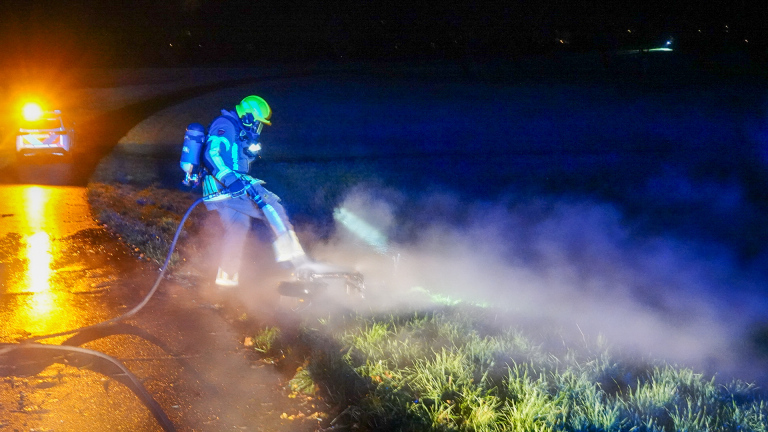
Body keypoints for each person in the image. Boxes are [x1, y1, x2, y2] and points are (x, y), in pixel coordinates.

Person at [200, 95, 308, 287]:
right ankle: (296, 259)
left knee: (238, 228)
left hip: (223, 187)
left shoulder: (237, 129)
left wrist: (249, 152)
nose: (258, 128)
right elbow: (211, 154)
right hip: (226, 185)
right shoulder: (225, 124)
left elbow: (235, 156)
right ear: (248, 116)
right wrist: (231, 180)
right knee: (271, 205)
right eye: (257, 122)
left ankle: (226, 279)